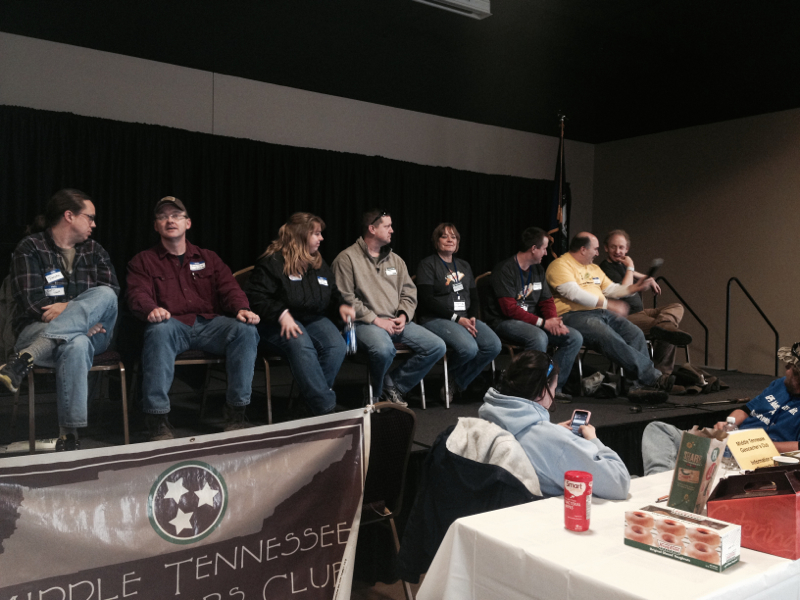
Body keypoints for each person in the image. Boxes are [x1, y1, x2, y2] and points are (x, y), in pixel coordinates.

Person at [127, 196, 260, 441]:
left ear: (187, 223)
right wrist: (150, 308)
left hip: (210, 324)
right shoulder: (143, 261)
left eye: (176, 215)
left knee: (245, 330)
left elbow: (229, 287)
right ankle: (157, 418)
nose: (170, 220)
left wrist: (241, 308)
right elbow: (137, 293)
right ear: (156, 226)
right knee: (158, 330)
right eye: (163, 216)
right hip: (172, 325)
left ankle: (236, 412)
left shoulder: (208, 257)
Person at [0, 189, 119, 451]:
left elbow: (109, 295)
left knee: (106, 294)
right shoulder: (30, 248)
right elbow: (31, 301)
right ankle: (70, 436)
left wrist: (67, 306)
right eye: (90, 217)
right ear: (69, 216)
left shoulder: (95, 250)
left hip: (97, 333)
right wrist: (82, 318)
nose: (94, 224)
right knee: (75, 343)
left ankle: (26, 358)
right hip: (36, 328)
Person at [479, 350, 630, 499]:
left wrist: (552, 430)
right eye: (553, 388)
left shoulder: (485, 421)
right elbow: (619, 482)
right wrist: (594, 441)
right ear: (543, 390)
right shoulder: (554, 441)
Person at [332, 209, 446, 406]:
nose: (392, 230)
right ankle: (376, 395)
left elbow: (409, 293)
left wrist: (403, 315)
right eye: (387, 226)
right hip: (364, 324)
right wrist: (376, 320)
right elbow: (345, 298)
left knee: (436, 346)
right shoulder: (347, 259)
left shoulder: (396, 260)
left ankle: (393, 385)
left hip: (395, 321)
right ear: (372, 229)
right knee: (383, 349)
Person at [245, 213, 355, 416]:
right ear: (300, 235)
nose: (321, 238)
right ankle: (325, 407)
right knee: (301, 343)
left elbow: (332, 293)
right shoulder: (273, 262)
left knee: (336, 346)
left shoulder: (318, 263)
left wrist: (341, 305)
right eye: (316, 234)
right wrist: (281, 314)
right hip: (275, 322)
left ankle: (307, 406)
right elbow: (256, 298)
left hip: (311, 318)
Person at [545, 232, 675, 402]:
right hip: (572, 315)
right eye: (596, 249)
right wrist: (608, 304)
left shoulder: (593, 268)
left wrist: (634, 288)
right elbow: (574, 294)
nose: (598, 253)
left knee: (635, 333)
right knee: (607, 335)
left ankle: (636, 387)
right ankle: (652, 377)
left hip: (601, 313)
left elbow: (612, 289)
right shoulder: (560, 265)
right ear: (583, 249)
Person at [643, 343, 800, 475]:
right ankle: (658, 482)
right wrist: (727, 425)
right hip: (725, 442)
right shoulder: (780, 384)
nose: (785, 368)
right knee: (658, 430)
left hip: (753, 458)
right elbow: (745, 410)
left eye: (790, 366)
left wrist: (754, 444)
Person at [483, 227, 582, 401]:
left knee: (574, 337)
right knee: (538, 337)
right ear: (533, 249)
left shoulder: (537, 270)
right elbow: (509, 309)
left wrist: (552, 319)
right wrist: (544, 324)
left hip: (533, 321)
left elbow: (546, 300)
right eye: (544, 248)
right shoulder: (505, 270)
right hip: (505, 322)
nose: (546, 253)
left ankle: (551, 387)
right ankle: (528, 391)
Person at [416, 223, 501, 403]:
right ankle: (454, 380)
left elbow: (474, 297)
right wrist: (457, 319)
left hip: (464, 318)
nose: (449, 240)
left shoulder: (464, 265)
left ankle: (455, 379)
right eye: (444, 236)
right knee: (468, 348)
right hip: (436, 318)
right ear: (436, 241)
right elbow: (427, 300)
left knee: (493, 345)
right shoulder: (427, 265)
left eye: (453, 237)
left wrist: (472, 317)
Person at [599, 229, 691, 374]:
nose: (617, 251)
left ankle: (665, 324)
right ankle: (661, 374)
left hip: (641, 312)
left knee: (676, 307)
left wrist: (649, 278)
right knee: (667, 331)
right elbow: (626, 289)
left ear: (627, 249)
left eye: (621, 247)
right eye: (613, 247)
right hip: (626, 317)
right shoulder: (604, 268)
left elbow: (635, 275)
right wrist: (630, 267)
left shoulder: (621, 265)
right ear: (606, 248)